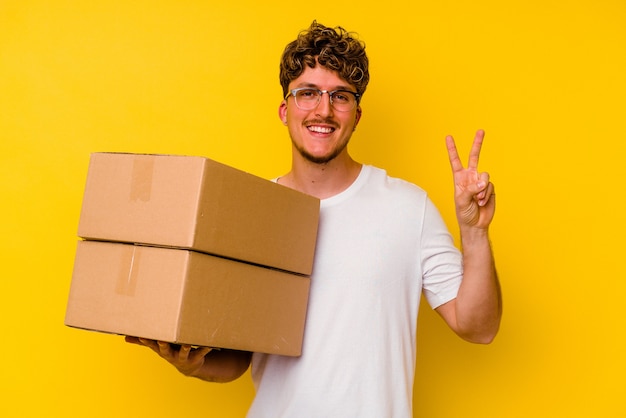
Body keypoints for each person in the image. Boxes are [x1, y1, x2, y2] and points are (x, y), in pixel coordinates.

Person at [126, 21, 502, 417]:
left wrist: (475, 232)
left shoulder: (410, 207)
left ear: (356, 115)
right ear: (285, 110)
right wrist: (194, 364)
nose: (324, 110)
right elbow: (237, 359)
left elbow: (479, 327)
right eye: (308, 93)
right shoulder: (250, 213)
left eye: (340, 96)